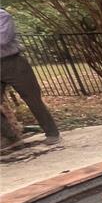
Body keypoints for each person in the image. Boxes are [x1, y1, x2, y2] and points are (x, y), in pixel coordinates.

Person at [0, 8, 60, 144]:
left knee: (32, 99)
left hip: (12, 63)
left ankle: (52, 133)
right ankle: (10, 136)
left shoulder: (2, 15)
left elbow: (2, 39)